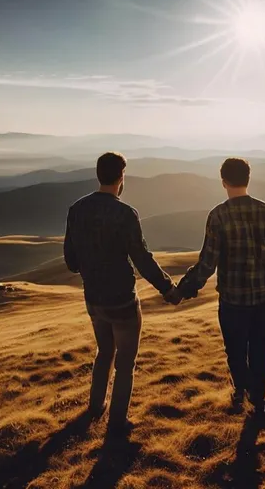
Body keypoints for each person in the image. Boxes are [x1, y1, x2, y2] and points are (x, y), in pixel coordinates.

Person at [63, 152, 178, 434]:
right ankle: (117, 422)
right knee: (125, 362)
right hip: (123, 300)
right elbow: (141, 258)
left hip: (93, 298)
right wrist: (168, 289)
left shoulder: (76, 209)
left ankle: (95, 407)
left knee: (104, 352)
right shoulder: (125, 213)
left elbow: (70, 261)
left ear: (98, 174)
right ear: (121, 177)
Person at [175, 158, 265, 414]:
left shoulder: (218, 215)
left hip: (232, 301)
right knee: (259, 350)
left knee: (236, 351)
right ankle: (258, 402)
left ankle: (241, 392)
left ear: (223, 182)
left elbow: (207, 262)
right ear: (248, 179)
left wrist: (184, 289)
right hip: (263, 299)